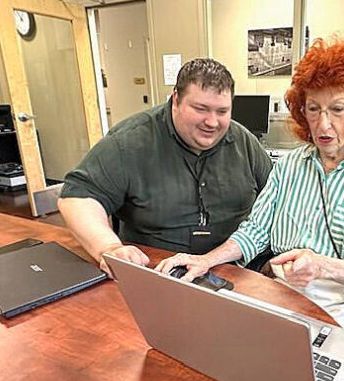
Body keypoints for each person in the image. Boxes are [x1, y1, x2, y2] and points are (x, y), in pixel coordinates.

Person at [155, 38, 344, 362]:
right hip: (283, 297)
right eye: (313, 109)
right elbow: (256, 230)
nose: (323, 124)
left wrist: (322, 266)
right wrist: (206, 260)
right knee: (225, 360)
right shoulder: (290, 165)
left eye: (337, 109)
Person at [58, 58, 272, 275]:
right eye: (201, 109)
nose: (212, 122)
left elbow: (280, 200)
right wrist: (109, 247)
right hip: (157, 269)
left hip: (235, 268)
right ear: (176, 99)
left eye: (222, 111)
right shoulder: (129, 142)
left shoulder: (245, 143)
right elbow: (78, 198)